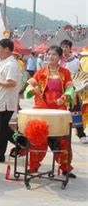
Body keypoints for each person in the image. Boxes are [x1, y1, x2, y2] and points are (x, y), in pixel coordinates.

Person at [24, 45, 77, 178]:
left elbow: (71, 89)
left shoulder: (65, 73)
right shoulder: (41, 71)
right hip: (42, 109)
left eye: (53, 55)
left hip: (58, 110)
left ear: (59, 57)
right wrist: (32, 90)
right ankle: (33, 166)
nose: (50, 57)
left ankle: (65, 167)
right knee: (38, 139)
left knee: (61, 140)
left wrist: (65, 97)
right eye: (48, 54)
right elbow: (29, 86)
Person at [0, 39, 22, 163]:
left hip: (6, 101)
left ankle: (1, 153)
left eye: (0, 48)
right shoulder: (3, 62)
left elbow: (11, 82)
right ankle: (23, 143)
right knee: (3, 129)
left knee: (2, 130)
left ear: (7, 49)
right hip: (0, 100)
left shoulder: (11, 64)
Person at [60, 39, 86, 143]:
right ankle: (61, 133)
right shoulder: (59, 60)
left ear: (70, 48)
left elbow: (80, 75)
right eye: (62, 47)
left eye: (66, 47)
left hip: (73, 90)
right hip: (60, 90)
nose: (64, 49)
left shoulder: (76, 61)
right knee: (61, 112)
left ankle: (80, 134)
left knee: (76, 112)